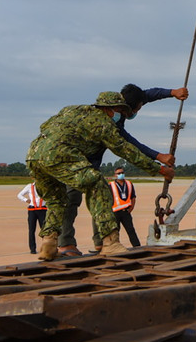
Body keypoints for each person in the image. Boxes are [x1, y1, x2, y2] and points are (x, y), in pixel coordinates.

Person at [27, 91, 175, 261]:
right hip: (60, 154)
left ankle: (49, 243)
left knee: (56, 200)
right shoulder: (104, 124)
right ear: (111, 109)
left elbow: (45, 126)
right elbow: (126, 151)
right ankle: (110, 243)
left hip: (34, 155)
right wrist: (159, 169)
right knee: (98, 185)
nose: (121, 116)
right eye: (120, 111)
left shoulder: (72, 110)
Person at [57, 84, 188, 256]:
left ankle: (100, 242)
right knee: (73, 199)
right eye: (136, 109)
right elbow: (128, 146)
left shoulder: (121, 107)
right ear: (120, 108)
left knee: (100, 199)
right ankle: (66, 244)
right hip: (75, 162)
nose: (137, 112)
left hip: (89, 164)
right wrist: (158, 159)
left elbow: (148, 95)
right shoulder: (107, 124)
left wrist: (172, 93)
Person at [109, 167, 140, 246]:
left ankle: (137, 247)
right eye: (119, 173)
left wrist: (131, 207)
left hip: (126, 212)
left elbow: (133, 197)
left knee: (131, 230)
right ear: (115, 175)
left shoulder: (129, 184)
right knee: (115, 232)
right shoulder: (111, 185)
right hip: (115, 212)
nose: (121, 174)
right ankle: (115, 247)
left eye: (122, 173)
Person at [17, 181, 47, 254]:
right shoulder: (30, 186)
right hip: (32, 210)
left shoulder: (46, 185)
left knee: (44, 230)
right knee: (31, 230)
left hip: (42, 210)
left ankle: (45, 248)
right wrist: (26, 200)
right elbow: (19, 195)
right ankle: (32, 249)